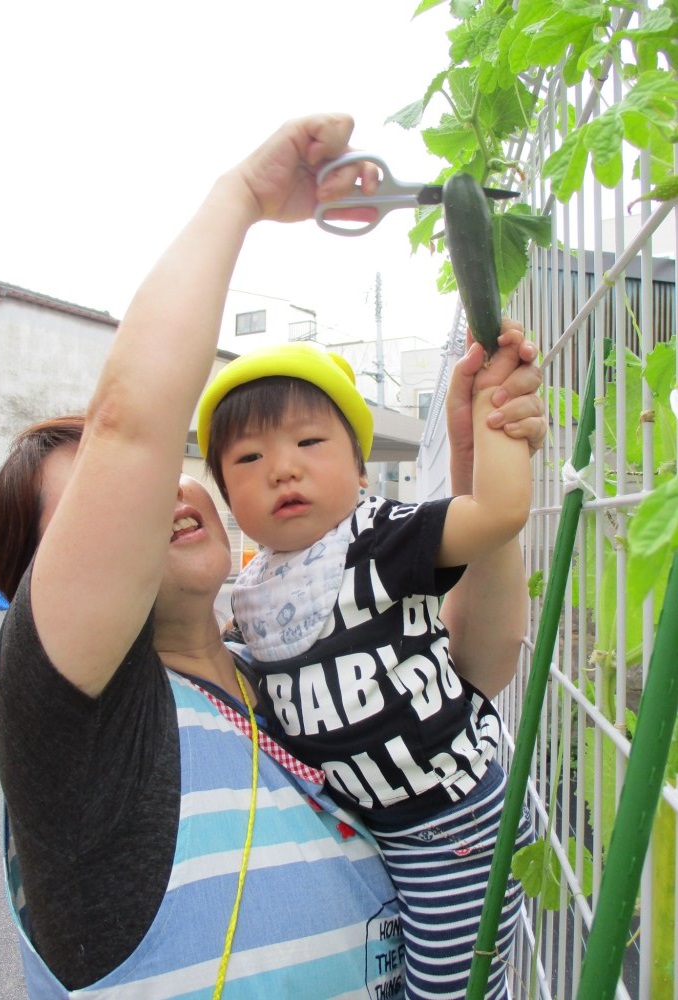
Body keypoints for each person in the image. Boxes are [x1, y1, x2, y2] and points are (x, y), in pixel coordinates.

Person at [0, 112, 546, 999]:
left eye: (164, 475)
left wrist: (474, 469)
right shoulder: (82, 743)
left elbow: (476, 663)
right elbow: (129, 426)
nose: (159, 493)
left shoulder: (268, 654)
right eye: (104, 497)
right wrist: (242, 197)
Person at [196, 324, 536, 999]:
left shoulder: (381, 538)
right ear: (229, 500)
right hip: (378, 833)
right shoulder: (254, 591)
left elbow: (497, 513)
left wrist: (495, 420)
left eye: (308, 443)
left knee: (450, 992)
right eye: (249, 457)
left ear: (360, 469)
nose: (281, 468)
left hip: (452, 827)